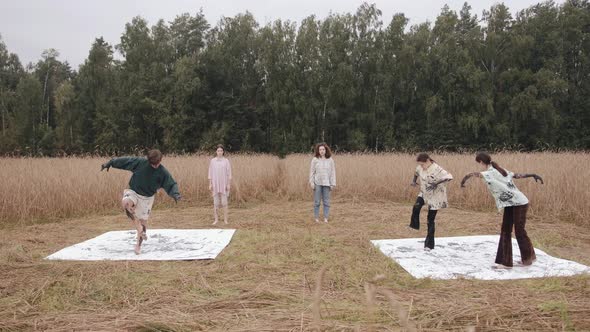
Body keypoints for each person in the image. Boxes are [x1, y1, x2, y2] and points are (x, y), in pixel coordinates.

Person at [461, 151, 543, 268]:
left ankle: (521, 260)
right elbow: (517, 175)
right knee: (506, 229)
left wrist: (463, 180)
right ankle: (521, 259)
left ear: (481, 162)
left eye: (479, 163)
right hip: (512, 203)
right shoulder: (500, 169)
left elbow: (473, 174)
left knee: (518, 231)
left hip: (518, 203)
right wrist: (532, 174)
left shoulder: (490, 172)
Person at [101, 149, 181, 255]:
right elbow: (125, 161)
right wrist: (110, 162)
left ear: (160, 161)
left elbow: (170, 183)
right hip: (133, 191)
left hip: (147, 199)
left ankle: (138, 244)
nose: (155, 166)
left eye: (157, 164)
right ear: (148, 160)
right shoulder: (140, 163)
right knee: (126, 203)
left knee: (143, 224)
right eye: (153, 164)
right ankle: (138, 226)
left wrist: (175, 194)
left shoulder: (162, 172)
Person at [410, 153, 453, 251]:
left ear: (427, 161)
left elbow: (450, 177)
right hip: (424, 193)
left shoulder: (437, 169)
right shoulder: (420, 168)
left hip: (435, 196)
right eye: (420, 164)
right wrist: (413, 181)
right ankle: (414, 225)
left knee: (430, 220)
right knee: (416, 206)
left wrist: (436, 183)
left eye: (422, 164)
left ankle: (429, 245)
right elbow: (416, 172)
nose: (421, 166)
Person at [309, 143, 336, 223]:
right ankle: (316, 218)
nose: (322, 151)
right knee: (317, 201)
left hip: (327, 183)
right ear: (318, 150)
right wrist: (311, 182)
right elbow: (312, 172)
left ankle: (325, 218)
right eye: (320, 149)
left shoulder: (330, 160)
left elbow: (332, 172)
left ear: (326, 150)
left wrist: (333, 183)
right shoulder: (315, 159)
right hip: (317, 183)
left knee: (326, 202)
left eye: (323, 149)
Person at [208, 144, 232, 225]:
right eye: (218, 151)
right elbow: (210, 173)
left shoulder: (226, 161)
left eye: (221, 151)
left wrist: (228, 184)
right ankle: (216, 220)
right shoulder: (212, 161)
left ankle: (225, 220)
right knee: (216, 204)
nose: (220, 152)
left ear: (223, 151)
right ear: (216, 151)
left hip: (224, 184)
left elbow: (229, 173)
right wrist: (210, 184)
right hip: (215, 184)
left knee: (224, 203)